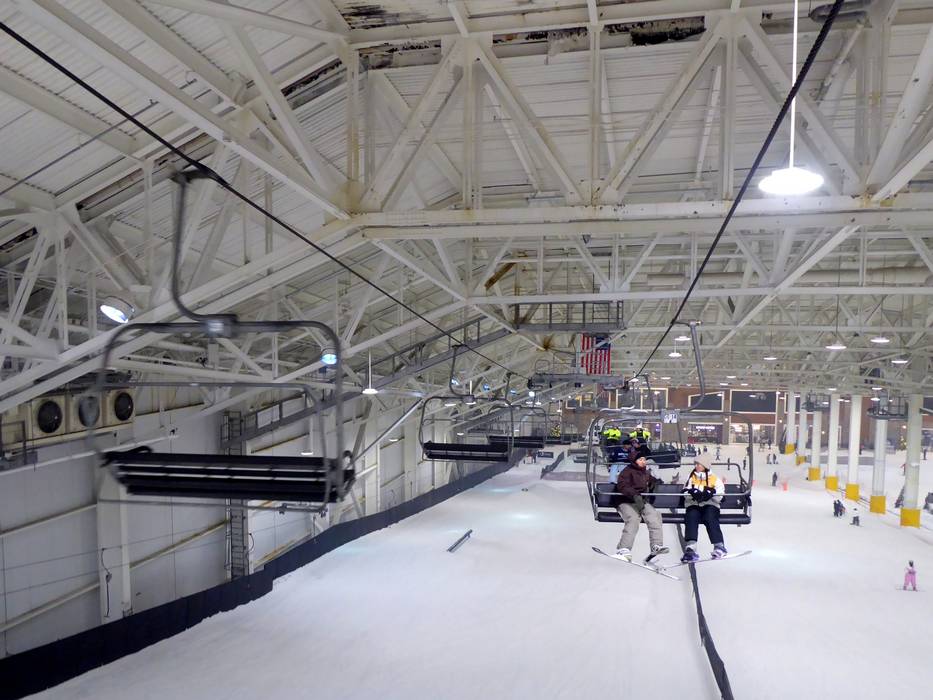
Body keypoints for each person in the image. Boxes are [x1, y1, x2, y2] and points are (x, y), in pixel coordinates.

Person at [614, 453, 667, 560]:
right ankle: (624, 549)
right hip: (626, 501)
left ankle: (656, 545)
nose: (643, 462)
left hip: (641, 501)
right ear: (634, 461)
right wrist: (634, 495)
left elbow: (652, 480)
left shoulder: (645, 472)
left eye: (644, 459)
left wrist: (655, 483)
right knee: (633, 519)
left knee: (654, 516)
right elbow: (622, 486)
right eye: (640, 459)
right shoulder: (627, 472)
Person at [680, 454, 727, 562]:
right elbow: (685, 492)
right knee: (691, 516)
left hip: (711, 505)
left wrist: (711, 493)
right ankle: (691, 547)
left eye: (699, 464)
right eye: (695, 464)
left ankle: (719, 546)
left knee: (710, 517)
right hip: (694, 504)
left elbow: (720, 496)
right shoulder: (691, 478)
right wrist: (692, 493)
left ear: (705, 465)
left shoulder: (714, 479)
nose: (696, 466)